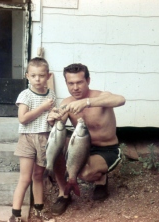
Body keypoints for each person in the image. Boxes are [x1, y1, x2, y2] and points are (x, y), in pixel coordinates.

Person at [47, 63, 126, 216]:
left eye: (79, 82)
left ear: (88, 81)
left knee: (85, 173)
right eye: (71, 83)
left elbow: (121, 100)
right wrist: (53, 119)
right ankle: (64, 193)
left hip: (106, 150)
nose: (75, 87)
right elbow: (58, 125)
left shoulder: (102, 96)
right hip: (81, 147)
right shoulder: (67, 103)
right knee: (56, 145)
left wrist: (87, 102)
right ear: (66, 83)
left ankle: (101, 179)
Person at [8, 57, 56, 222]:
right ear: (27, 76)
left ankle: (39, 210)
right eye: (34, 75)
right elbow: (23, 118)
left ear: (48, 76)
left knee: (38, 176)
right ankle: (15, 215)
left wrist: (54, 116)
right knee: (25, 177)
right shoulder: (26, 95)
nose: (37, 79)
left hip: (44, 137)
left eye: (41, 75)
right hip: (28, 138)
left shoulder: (51, 95)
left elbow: (50, 120)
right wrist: (43, 107)